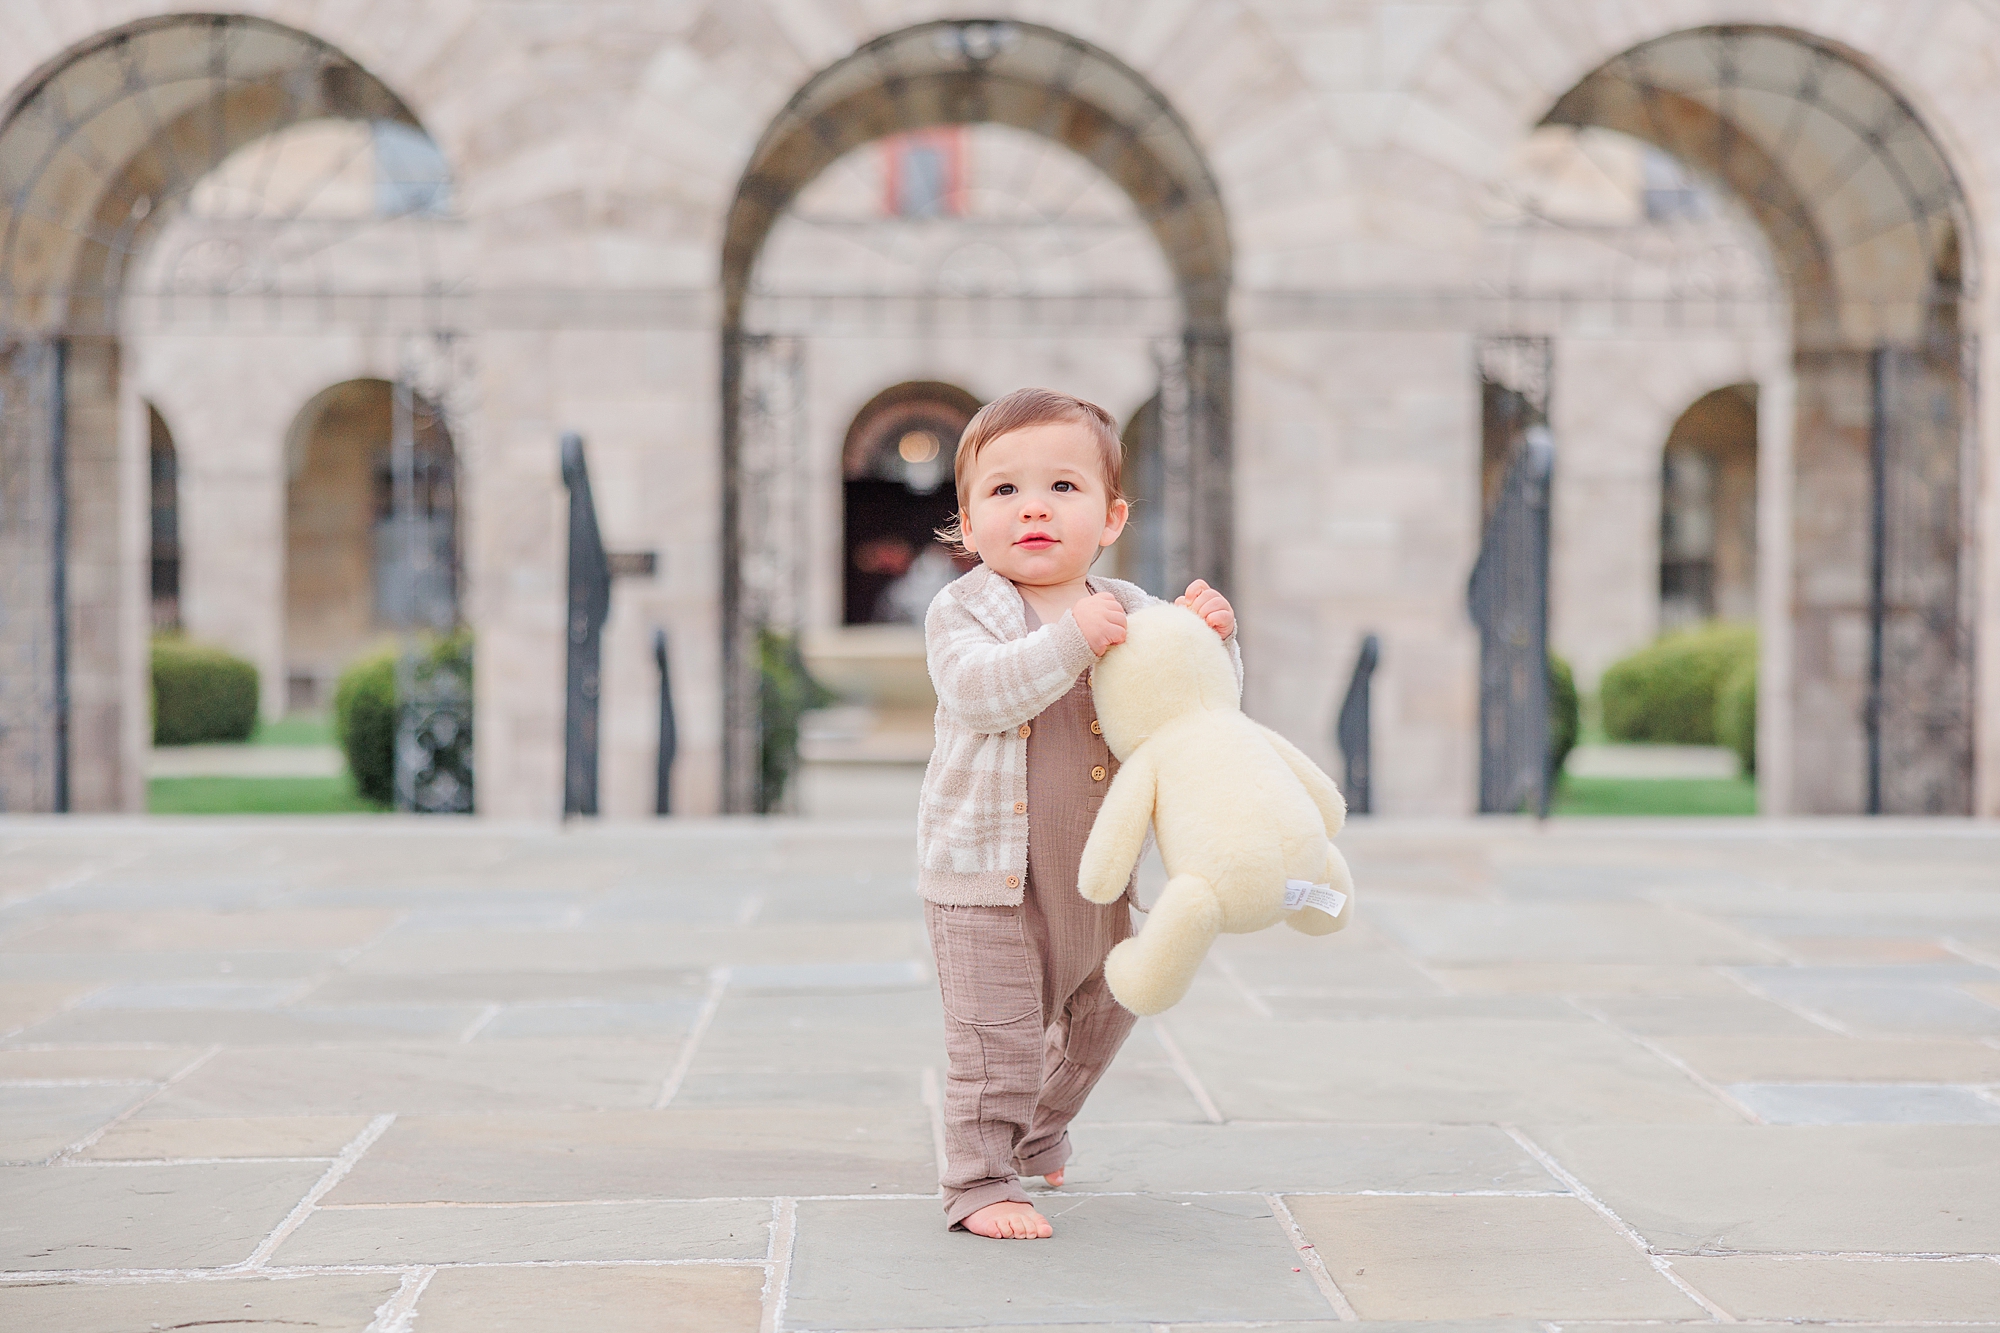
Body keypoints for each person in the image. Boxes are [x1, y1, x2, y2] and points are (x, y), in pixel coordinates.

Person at [918, 387, 1238, 1239]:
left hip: (1100, 872)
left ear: (1110, 517)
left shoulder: (1135, 610)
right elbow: (978, 693)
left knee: (1111, 1007)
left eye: (1064, 488)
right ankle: (980, 1178)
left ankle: (1042, 1126)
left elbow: (1197, 711)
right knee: (999, 1038)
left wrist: (1212, 640)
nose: (1034, 508)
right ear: (968, 520)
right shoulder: (966, 611)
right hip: (989, 877)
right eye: (1004, 490)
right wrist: (1070, 641)